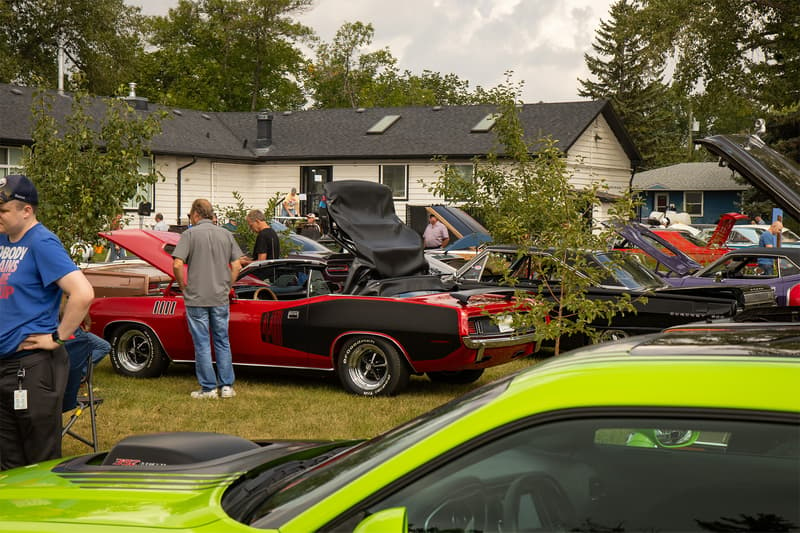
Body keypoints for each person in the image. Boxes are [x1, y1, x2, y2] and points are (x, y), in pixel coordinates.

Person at [0, 174, 94, 470]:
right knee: (7, 458)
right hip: (5, 364)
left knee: (38, 459)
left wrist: (57, 338)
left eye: (3, 210)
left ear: (26, 210)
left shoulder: (42, 242)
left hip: (32, 367)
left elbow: (82, 293)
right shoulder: (4, 240)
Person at [172, 199, 243, 399]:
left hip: (196, 297)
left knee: (202, 343)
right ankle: (227, 386)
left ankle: (208, 388)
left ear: (195, 214)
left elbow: (177, 264)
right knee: (222, 340)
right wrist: (228, 285)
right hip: (220, 296)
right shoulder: (226, 234)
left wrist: (183, 286)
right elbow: (237, 265)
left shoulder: (189, 234)